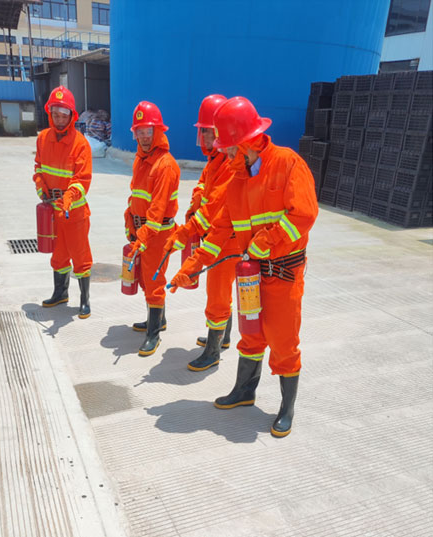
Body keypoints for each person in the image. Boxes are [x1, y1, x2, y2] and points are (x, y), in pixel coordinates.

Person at [169, 96, 318, 437]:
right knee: (251, 335)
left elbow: (304, 214)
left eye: (230, 147)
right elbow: (219, 232)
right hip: (251, 276)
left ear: (247, 140)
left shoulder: (287, 163)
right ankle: (244, 392)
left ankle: (286, 408)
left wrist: (268, 239)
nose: (226, 154)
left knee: (282, 341)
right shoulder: (236, 180)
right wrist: (191, 267)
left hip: (283, 273)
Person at [162, 94, 239, 371]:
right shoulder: (216, 160)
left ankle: (213, 351)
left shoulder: (229, 162)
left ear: (219, 132)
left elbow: (214, 209)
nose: (202, 137)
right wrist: (195, 203)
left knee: (217, 294)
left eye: (205, 131)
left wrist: (185, 231)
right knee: (221, 291)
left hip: (225, 241)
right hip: (219, 236)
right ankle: (224, 337)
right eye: (202, 131)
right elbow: (203, 189)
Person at [124, 101, 180, 355]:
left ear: (158, 132)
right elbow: (135, 195)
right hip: (143, 233)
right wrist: (130, 221)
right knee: (147, 281)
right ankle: (158, 319)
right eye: (140, 132)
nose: (144, 137)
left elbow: (157, 210)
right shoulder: (141, 159)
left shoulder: (165, 165)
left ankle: (153, 335)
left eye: (148, 131)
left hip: (157, 234)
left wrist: (143, 235)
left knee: (154, 282)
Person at [34, 86, 93, 319]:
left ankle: (85, 300)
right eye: (56, 114)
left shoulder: (80, 144)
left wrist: (68, 197)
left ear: (72, 116)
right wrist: (41, 186)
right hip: (52, 208)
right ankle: (60, 293)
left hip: (74, 212)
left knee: (80, 255)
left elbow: (82, 179)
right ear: (50, 113)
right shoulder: (42, 138)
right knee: (58, 255)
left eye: (64, 115)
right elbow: (38, 167)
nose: (59, 120)